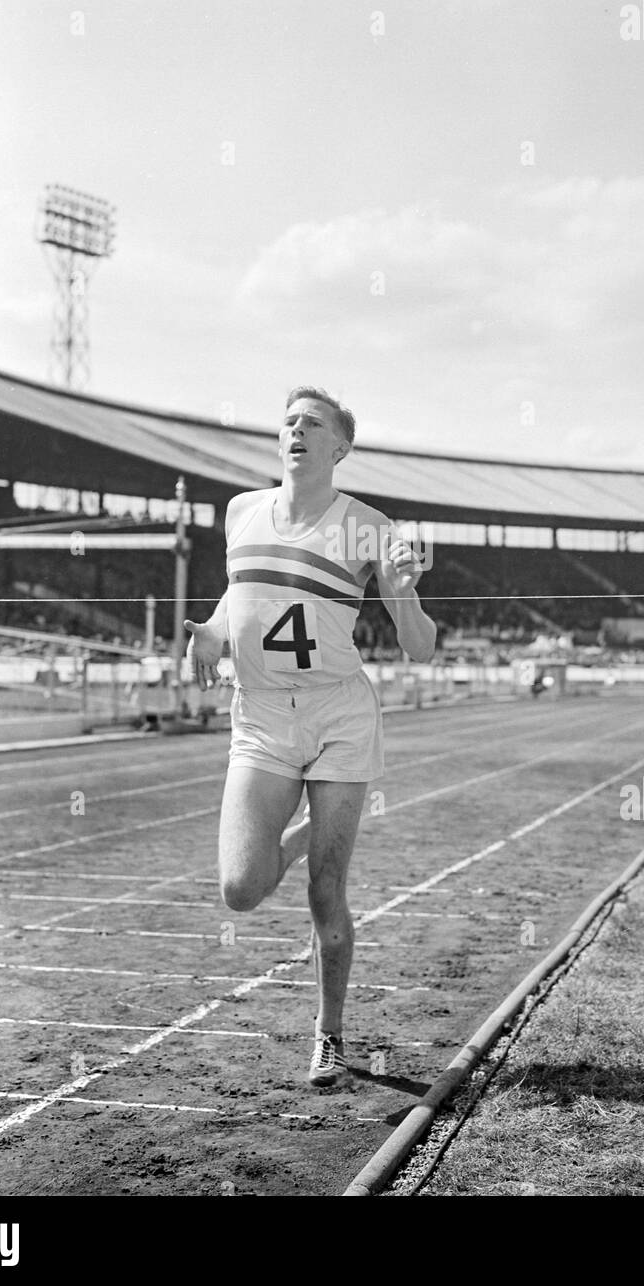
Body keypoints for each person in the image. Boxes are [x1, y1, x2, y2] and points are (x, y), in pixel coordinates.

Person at [184, 386, 436, 1086]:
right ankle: (298, 836)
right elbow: (244, 590)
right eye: (288, 421)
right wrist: (209, 632)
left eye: (312, 423)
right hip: (260, 713)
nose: (295, 429)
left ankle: (330, 1036)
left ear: (339, 448)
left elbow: (420, 648)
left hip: (337, 717)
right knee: (239, 888)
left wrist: (403, 594)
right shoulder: (240, 511)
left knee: (327, 892)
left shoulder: (370, 528)